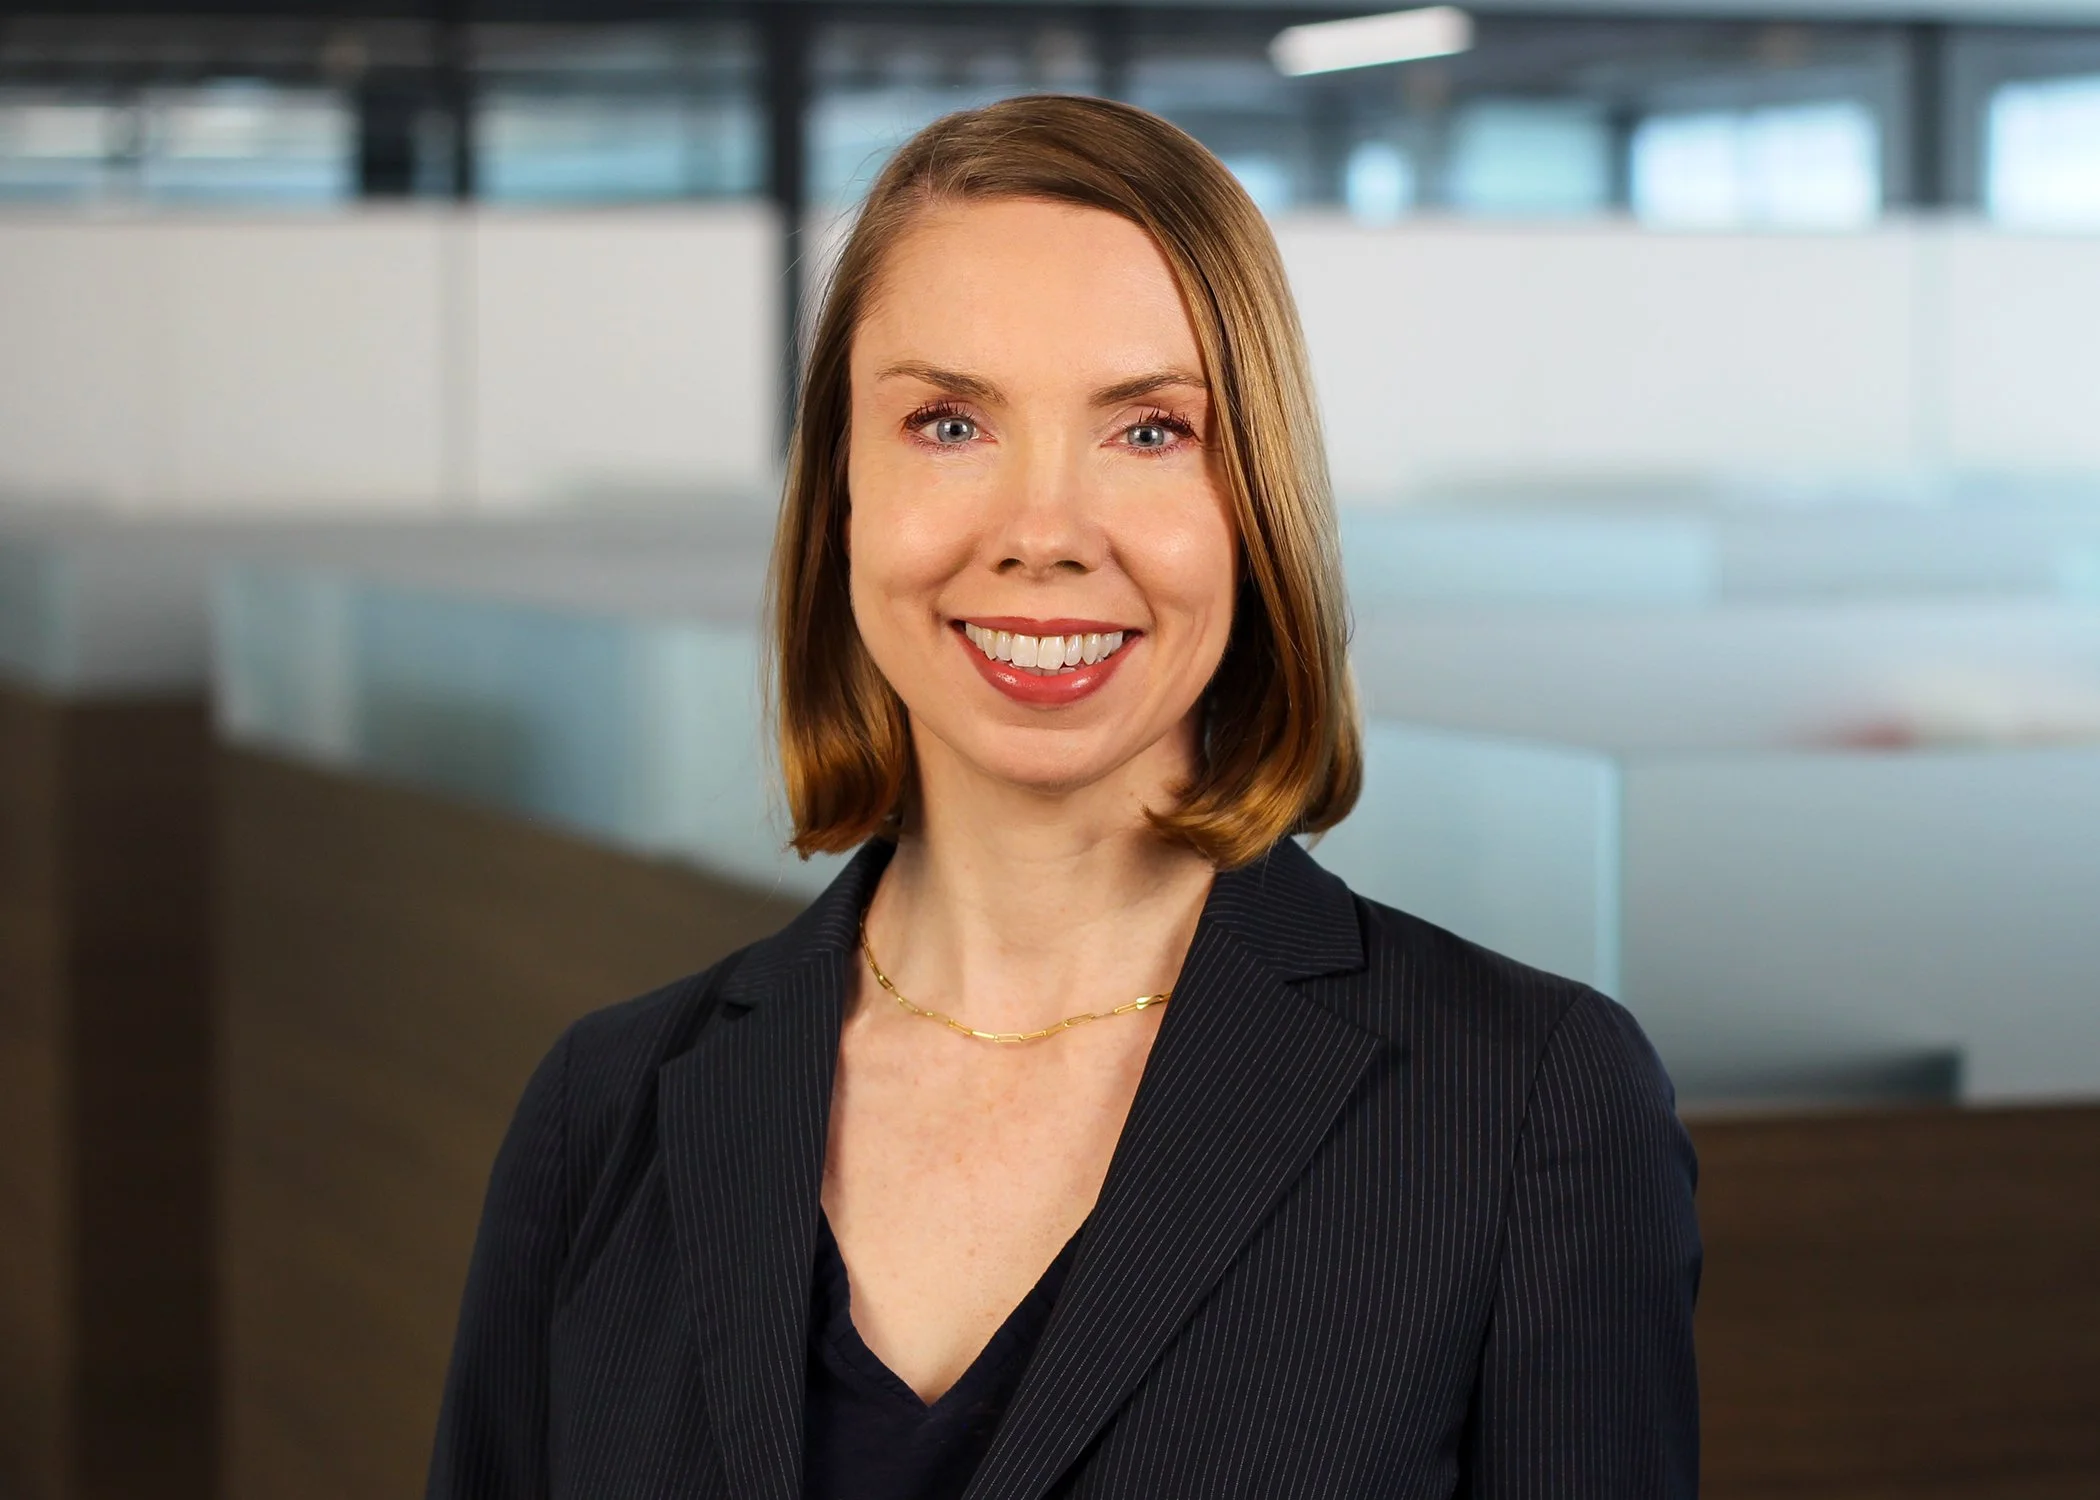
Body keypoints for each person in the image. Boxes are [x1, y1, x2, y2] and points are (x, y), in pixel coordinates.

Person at [426, 93, 1700, 1500]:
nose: (1043, 533)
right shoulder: (606, 1116)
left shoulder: (1525, 1110)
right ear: (842, 490)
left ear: (1255, 501)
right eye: (950, 421)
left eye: (1149, 431)